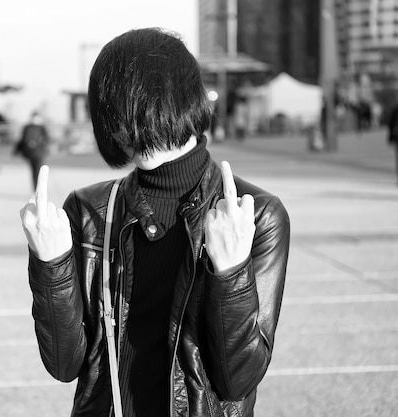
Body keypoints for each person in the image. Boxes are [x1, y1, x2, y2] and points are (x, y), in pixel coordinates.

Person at [19, 28, 290, 417]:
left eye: (135, 114)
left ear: (178, 102)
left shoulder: (254, 214)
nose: (122, 133)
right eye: (113, 118)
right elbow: (65, 365)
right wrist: (51, 265)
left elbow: (237, 380)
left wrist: (229, 272)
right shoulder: (90, 209)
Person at [14, 111, 50, 188]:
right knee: (33, 171)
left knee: (38, 170)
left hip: (39, 152)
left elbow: (46, 139)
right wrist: (17, 150)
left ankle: (38, 188)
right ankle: (35, 188)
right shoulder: (27, 127)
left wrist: (40, 145)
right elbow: (22, 139)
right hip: (30, 153)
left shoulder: (42, 128)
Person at [386, 102, 398, 184]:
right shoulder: (396, 110)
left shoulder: (396, 109)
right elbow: (391, 124)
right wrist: (390, 138)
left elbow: (391, 124)